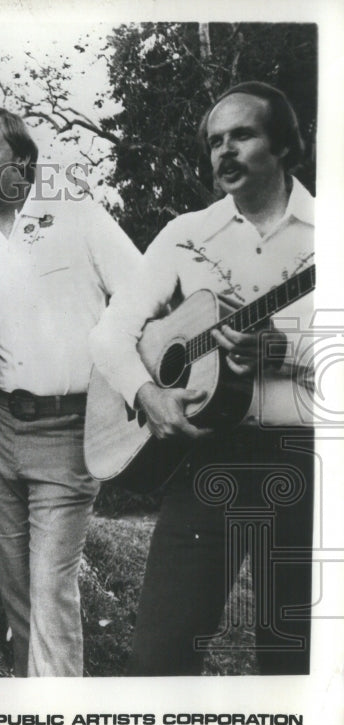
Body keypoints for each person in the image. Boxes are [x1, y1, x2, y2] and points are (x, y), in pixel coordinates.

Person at [90, 82, 315, 675]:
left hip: (309, 462)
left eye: (242, 135)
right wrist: (148, 394)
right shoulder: (185, 235)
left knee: (294, 662)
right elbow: (109, 335)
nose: (225, 151)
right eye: (216, 141)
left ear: (287, 146)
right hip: (209, 458)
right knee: (157, 658)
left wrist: (287, 352)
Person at [0, 108, 142, 677]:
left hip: (69, 428)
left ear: (23, 160)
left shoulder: (78, 218)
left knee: (51, 585)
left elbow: (145, 298)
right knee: (18, 590)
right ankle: (29, 711)